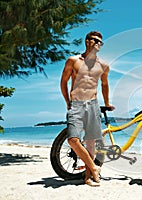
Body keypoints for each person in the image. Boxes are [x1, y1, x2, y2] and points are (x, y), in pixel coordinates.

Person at [60, 31, 114, 187]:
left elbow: (104, 85)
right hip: (76, 104)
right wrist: (67, 101)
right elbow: (63, 82)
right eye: (95, 40)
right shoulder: (73, 61)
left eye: (100, 42)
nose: (98, 44)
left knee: (91, 143)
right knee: (73, 140)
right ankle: (94, 167)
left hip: (93, 104)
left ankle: (88, 177)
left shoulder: (103, 65)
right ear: (87, 41)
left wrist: (107, 102)